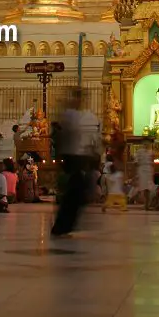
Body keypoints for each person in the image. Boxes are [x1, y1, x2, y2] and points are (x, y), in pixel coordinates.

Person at [51, 90, 89, 237]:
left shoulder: (75, 115)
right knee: (74, 193)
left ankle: (65, 225)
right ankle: (62, 226)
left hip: (75, 157)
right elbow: (64, 136)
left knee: (75, 193)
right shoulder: (69, 115)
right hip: (70, 158)